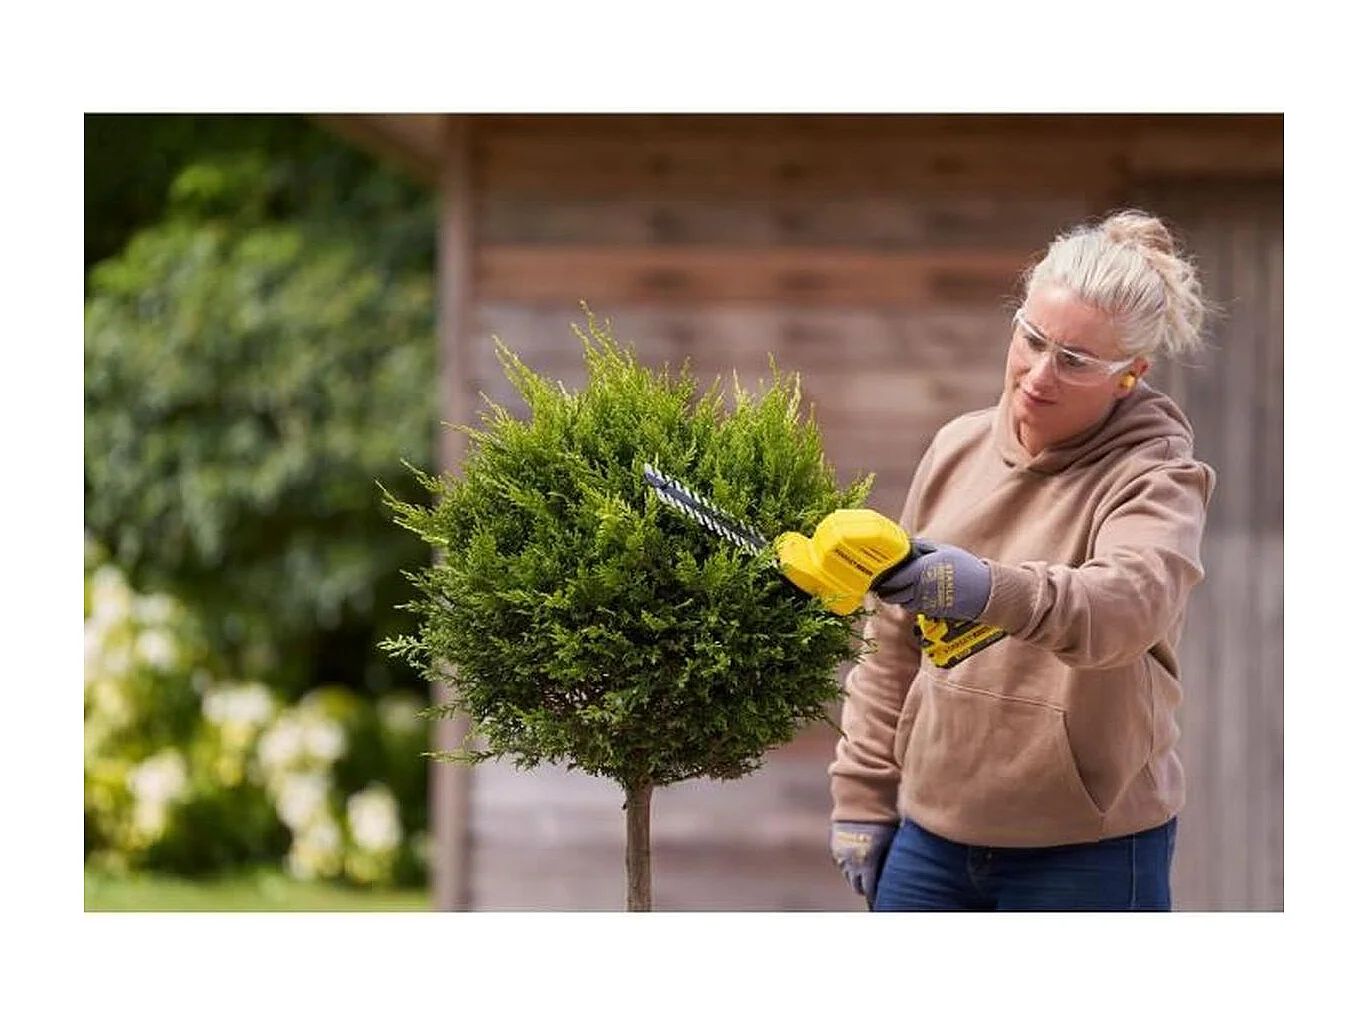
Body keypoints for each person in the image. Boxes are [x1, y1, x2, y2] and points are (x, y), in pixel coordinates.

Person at [827, 209, 1216, 912]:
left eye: (1075, 361)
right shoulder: (956, 448)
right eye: (1032, 339)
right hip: (931, 837)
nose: (1039, 374)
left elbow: (1125, 608)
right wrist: (861, 795)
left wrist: (983, 590)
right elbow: (889, 643)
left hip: (1088, 851)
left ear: (1130, 376)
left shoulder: (1157, 477)